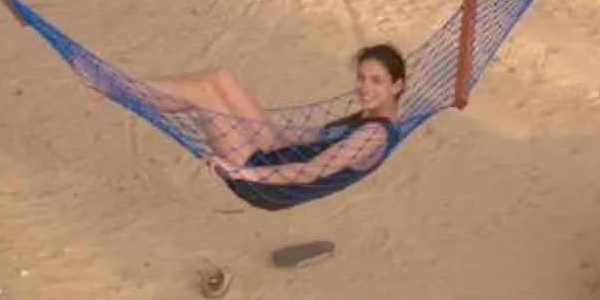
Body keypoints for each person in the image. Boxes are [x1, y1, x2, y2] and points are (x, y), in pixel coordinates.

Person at [146, 45, 406, 191]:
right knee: (219, 78)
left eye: (377, 81)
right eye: (361, 78)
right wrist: (254, 122)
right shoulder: (368, 115)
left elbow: (310, 171)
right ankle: (129, 88)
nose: (365, 88)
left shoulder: (373, 135)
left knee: (204, 95)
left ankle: (128, 91)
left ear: (397, 86)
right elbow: (309, 137)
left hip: (263, 178)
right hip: (275, 151)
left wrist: (242, 173)